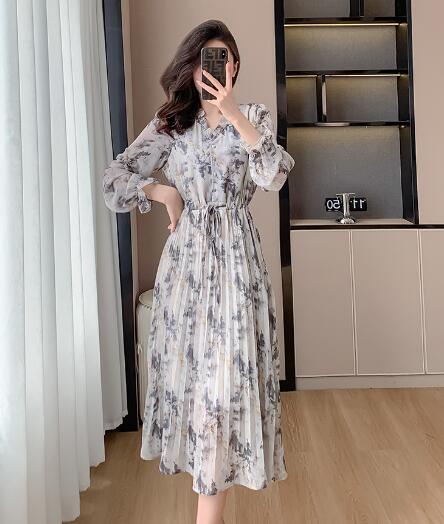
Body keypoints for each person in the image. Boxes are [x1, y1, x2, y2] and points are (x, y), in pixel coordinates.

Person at [102, 19, 295, 524]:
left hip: (236, 270)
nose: (215, 67)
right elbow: (113, 178)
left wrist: (234, 115)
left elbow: (274, 175)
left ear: (235, 66)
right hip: (186, 274)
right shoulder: (172, 125)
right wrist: (161, 191)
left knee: (226, 391)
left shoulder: (253, 116)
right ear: (191, 67)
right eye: (206, 59)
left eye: (223, 58)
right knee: (199, 392)